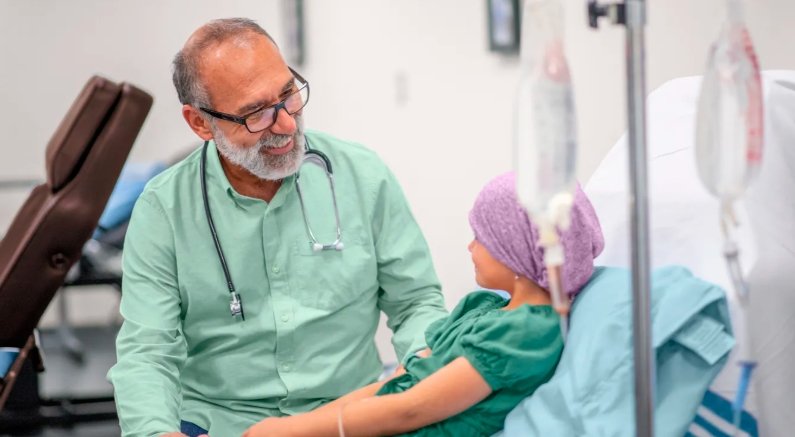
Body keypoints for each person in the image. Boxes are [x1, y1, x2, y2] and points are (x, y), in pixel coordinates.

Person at [107, 18, 447, 437]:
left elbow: (415, 302)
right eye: (256, 114)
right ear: (199, 123)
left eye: (288, 95)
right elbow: (148, 351)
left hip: (348, 415)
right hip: (217, 423)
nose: (286, 124)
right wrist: (156, 432)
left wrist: (430, 377)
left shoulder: (363, 177)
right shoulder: (163, 211)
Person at [243, 172, 605, 436]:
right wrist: (290, 427)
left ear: (518, 249)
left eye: (481, 237)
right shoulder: (485, 308)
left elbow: (410, 409)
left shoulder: (526, 334)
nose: (470, 247)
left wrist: (297, 432)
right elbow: (403, 379)